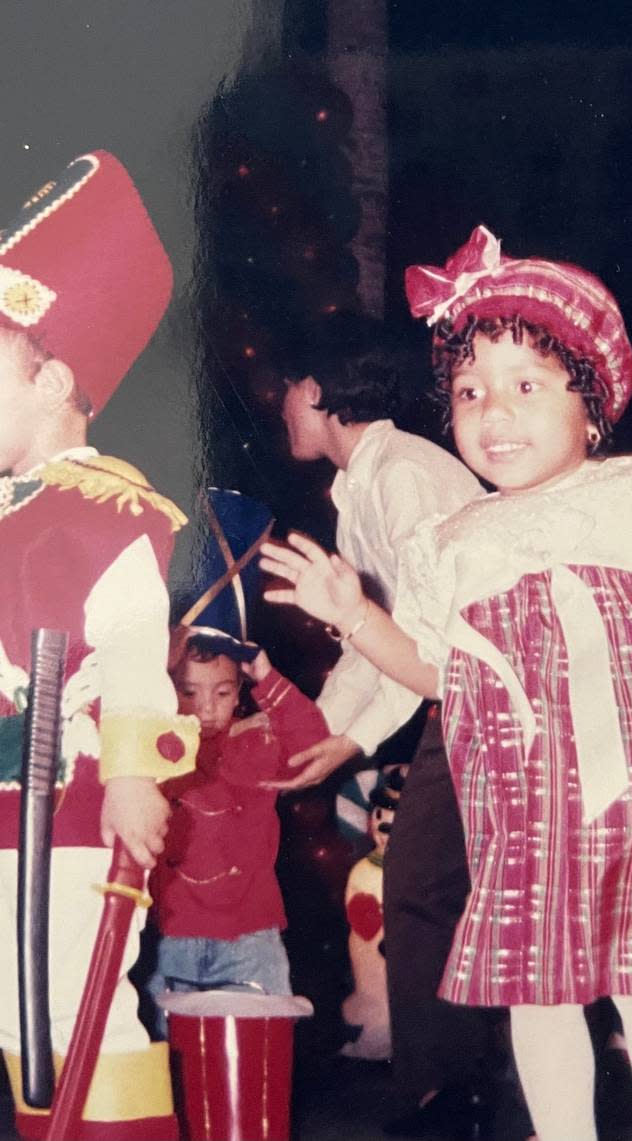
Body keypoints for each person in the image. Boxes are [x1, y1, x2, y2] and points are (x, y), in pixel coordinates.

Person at [261, 225, 632, 1141]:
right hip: (527, 807)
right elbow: (434, 667)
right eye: (470, 392)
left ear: (591, 408)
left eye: (525, 386)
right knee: (539, 991)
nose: (493, 412)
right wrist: (356, 613)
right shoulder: (458, 540)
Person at [0, 152, 199, 1140]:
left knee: (73, 1012)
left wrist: (135, 775)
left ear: (56, 380)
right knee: (17, 1016)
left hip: (62, 806)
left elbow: (128, 650)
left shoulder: (100, 511)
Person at [273, 320, 497, 1130]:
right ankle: (447, 1089)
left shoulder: (403, 475)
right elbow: (371, 642)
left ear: (317, 390)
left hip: (485, 695)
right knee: (424, 887)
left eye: (288, 393)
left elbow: (428, 640)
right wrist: (319, 736)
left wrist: (355, 738)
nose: (283, 410)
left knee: (422, 886)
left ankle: (452, 1094)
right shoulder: (362, 487)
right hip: (456, 696)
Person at [147, 629, 327, 1019]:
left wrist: (267, 676)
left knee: (255, 1049)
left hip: (251, 938)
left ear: (241, 689)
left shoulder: (256, 741)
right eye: (188, 692)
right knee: (172, 1063)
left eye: (223, 693)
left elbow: (313, 744)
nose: (206, 708)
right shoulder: (151, 751)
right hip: (169, 937)